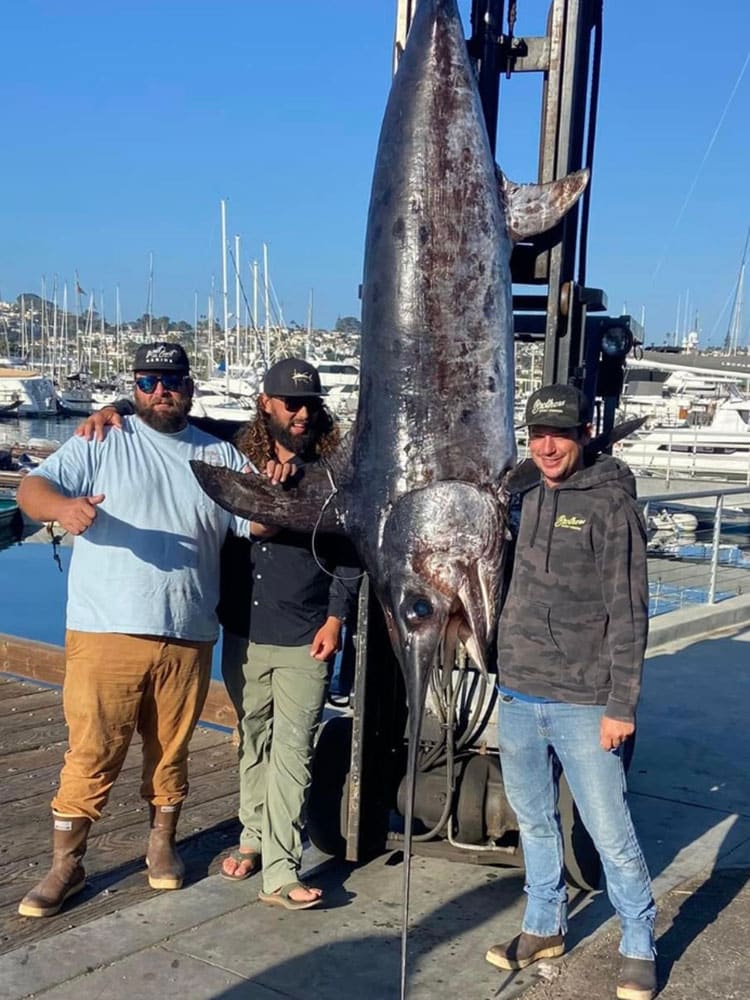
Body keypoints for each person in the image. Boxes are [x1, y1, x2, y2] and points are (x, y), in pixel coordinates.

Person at [77, 356, 360, 911]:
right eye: (290, 403)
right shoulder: (233, 453)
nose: (301, 414)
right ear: (266, 404)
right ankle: (254, 835)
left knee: (293, 750)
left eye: (310, 404)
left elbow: (353, 550)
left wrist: (336, 618)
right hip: (243, 628)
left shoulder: (334, 471)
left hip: (307, 630)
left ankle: (281, 869)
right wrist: (109, 409)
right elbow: (168, 419)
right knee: (252, 738)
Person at [16, 342, 251, 919]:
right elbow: (30, 491)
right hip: (106, 629)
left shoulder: (221, 454)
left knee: (171, 751)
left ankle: (160, 843)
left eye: (172, 380)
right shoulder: (102, 438)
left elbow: (257, 519)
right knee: (92, 749)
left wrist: (281, 489)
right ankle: (66, 863)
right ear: (134, 387)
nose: (161, 390)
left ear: (190, 387)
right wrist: (63, 510)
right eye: (147, 381)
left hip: (190, 630)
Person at [485, 384, 657, 1000]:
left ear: (583, 434)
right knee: (533, 820)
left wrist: (622, 705)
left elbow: (631, 612)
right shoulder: (522, 495)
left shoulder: (613, 507)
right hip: (519, 692)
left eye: (559, 433)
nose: (547, 446)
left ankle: (639, 941)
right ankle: (543, 924)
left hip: (585, 701)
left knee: (608, 827)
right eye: (537, 434)